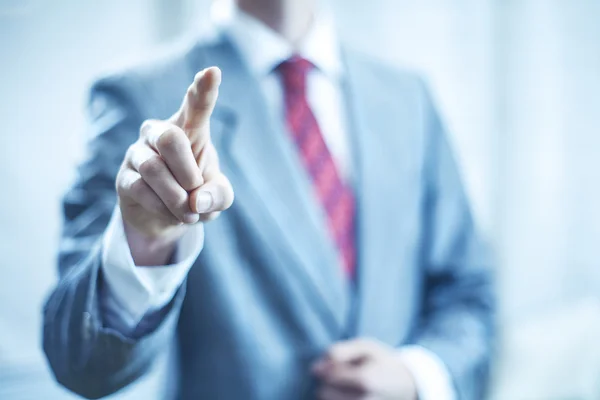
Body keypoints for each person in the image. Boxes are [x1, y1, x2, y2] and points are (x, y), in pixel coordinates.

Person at [43, 0, 494, 399]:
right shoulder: (139, 96)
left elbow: (469, 293)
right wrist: (144, 245)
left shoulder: (406, 97)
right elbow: (79, 362)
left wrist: (418, 376)